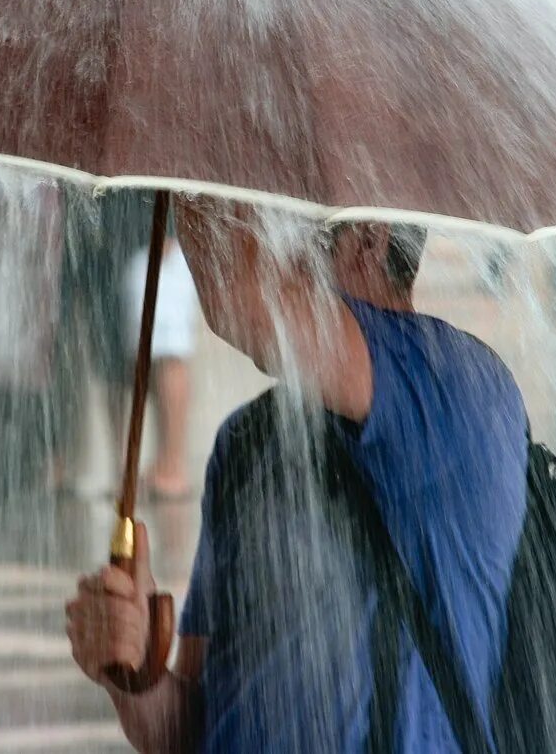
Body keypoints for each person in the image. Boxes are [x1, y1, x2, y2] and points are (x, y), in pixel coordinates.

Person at [66, 200, 531, 752]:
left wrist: (184, 168)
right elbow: (192, 731)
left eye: (287, 222)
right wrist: (139, 676)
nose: (270, 242)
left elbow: (240, 299)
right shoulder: (248, 440)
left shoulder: (460, 385)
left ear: (368, 237)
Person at [120, 231, 199, 501]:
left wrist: (168, 230)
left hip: (158, 238)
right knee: (153, 353)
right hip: (130, 241)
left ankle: (173, 467)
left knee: (168, 350)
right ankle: (164, 464)